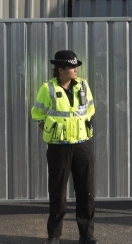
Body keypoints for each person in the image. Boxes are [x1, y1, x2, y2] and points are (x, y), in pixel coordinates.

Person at [31, 50, 98, 244]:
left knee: (86, 192)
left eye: (76, 66)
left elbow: (90, 109)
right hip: (58, 148)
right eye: (71, 67)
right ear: (61, 69)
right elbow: (37, 115)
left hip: (82, 146)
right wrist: (53, 131)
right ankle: (54, 236)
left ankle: (86, 235)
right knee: (58, 193)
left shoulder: (83, 85)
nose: (75, 70)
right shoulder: (48, 88)